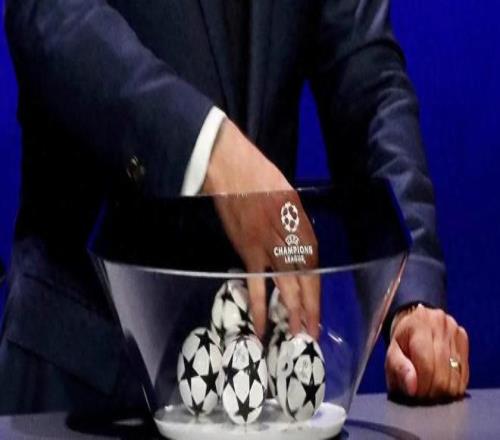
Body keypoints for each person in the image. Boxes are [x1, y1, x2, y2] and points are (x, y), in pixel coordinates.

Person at [0, 0, 468, 414]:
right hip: (84, 373)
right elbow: (51, 17)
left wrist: (411, 297)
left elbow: (369, 85)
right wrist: (204, 149)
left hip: (253, 385)